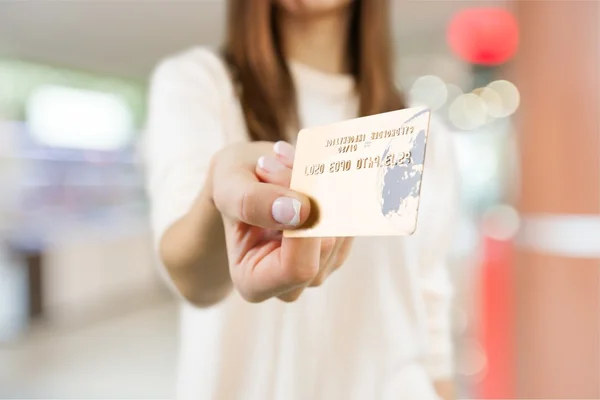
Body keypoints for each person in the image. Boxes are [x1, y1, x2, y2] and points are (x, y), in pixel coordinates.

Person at [144, 0, 459, 399]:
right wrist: (218, 194)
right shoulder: (198, 83)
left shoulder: (424, 131)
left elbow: (429, 303)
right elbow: (192, 279)